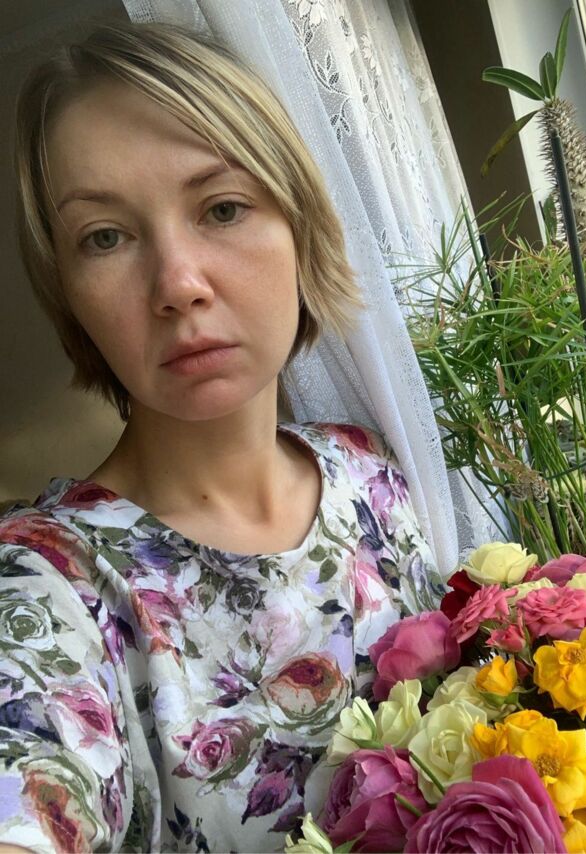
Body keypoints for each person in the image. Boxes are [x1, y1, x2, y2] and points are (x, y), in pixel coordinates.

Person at [0, 21, 441, 854]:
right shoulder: (50, 585)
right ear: (68, 292)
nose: (178, 284)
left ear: (300, 224)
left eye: (223, 208)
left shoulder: (371, 472)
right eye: (105, 237)